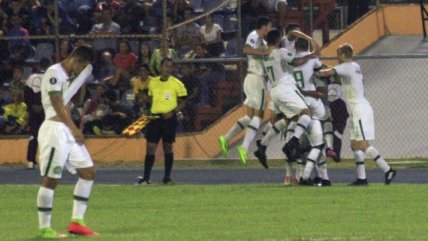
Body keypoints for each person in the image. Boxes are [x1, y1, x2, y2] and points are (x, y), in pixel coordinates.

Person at [36, 46, 98, 238]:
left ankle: (77, 222)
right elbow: (57, 105)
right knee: (51, 179)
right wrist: (74, 129)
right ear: (76, 60)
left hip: (65, 130)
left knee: (88, 171)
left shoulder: (68, 76)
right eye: (83, 66)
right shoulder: (54, 73)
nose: (82, 70)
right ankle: (45, 228)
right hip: (55, 131)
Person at [317, 43, 397, 185]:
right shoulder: (356, 67)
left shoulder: (347, 66)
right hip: (357, 108)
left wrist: (313, 69)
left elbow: (325, 73)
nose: (337, 56)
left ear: (343, 55)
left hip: (360, 109)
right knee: (354, 144)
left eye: (338, 53)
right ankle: (362, 178)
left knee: (362, 144)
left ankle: (388, 169)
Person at [218, 16, 272, 164]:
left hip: (252, 78)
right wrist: (264, 53)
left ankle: (226, 138)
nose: (270, 29)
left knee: (250, 117)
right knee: (259, 116)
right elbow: (246, 49)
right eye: (269, 26)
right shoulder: (255, 36)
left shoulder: (263, 41)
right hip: (256, 79)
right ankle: (245, 147)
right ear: (264, 26)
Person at [136, 58, 187, 185]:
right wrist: (144, 102)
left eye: (170, 66)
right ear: (161, 67)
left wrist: (173, 112)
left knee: (168, 147)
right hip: (155, 118)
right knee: (150, 147)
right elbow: (151, 98)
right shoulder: (153, 82)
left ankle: (167, 177)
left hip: (169, 119)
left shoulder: (177, 83)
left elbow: (184, 101)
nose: (168, 69)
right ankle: (146, 178)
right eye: (166, 66)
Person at [24, 57, 50, 169]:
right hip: (46, 111)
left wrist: (33, 106)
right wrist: (43, 107)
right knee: (47, 136)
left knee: (33, 135)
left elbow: (27, 96)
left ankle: (30, 161)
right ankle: (47, 161)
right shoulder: (51, 78)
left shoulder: (31, 78)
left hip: (34, 111)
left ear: (40, 65)